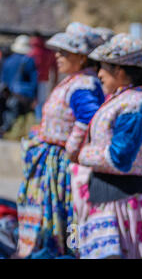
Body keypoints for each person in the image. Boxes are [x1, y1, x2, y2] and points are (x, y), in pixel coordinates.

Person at [16, 22, 106, 258]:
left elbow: (89, 119)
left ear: (82, 57)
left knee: (58, 217)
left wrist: (71, 150)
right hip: (54, 158)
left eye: (64, 52)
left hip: (62, 165)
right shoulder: (75, 81)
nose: (57, 55)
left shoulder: (83, 86)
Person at [71, 33, 142, 259]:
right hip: (112, 199)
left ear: (120, 71)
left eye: (103, 67)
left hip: (125, 204)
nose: (99, 73)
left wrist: (82, 155)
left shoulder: (136, 106)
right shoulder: (127, 99)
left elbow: (119, 158)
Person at [0, 35, 38, 136]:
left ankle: (5, 132)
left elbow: (3, 79)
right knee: (20, 118)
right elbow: (34, 81)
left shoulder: (8, 60)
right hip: (24, 95)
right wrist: (34, 97)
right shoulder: (29, 61)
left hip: (9, 94)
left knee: (8, 116)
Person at [27, 35, 58, 122]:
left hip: (34, 82)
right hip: (44, 81)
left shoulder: (31, 53)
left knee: (37, 103)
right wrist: (54, 81)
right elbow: (55, 68)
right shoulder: (49, 53)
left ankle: (38, 122)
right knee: (41, 103)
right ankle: (40, 121)